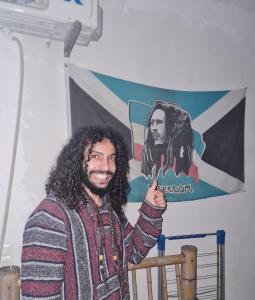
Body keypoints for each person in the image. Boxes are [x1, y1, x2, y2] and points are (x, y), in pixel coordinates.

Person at [21, 126, 166, 299]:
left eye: (111, 158)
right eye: (95, 156)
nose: (106, 166)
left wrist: (150, 209)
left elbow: (135, 252)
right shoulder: (50, 218)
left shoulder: (110, 210)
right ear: (77, 161)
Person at [141, 100, 194, 178]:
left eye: (159, 122)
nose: (154, 128)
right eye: (152, 123)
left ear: (171, 127)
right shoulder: (148, 154)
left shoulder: (182, 154)